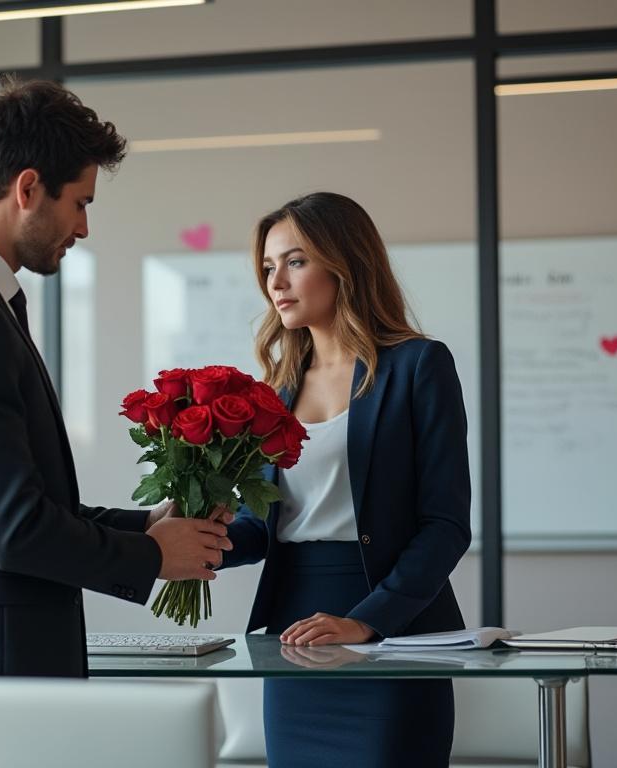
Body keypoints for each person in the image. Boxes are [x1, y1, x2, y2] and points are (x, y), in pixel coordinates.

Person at [0, 77, 232, 748]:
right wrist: (150, 556)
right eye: (80, 204)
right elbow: (13, 530)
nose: (84, 228)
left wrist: (147, 523)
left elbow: (15, 504)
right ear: (27, 189)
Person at [218, 192, 471, 767]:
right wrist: (193, 541)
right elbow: (263, 526)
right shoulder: (274, 389)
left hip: (389, 629)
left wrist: (366, 620)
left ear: (344, 263)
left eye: (296, 261)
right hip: (293, 637)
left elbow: (446, 524)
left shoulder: (418, 366)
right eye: (267, 267)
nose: (276, 282)